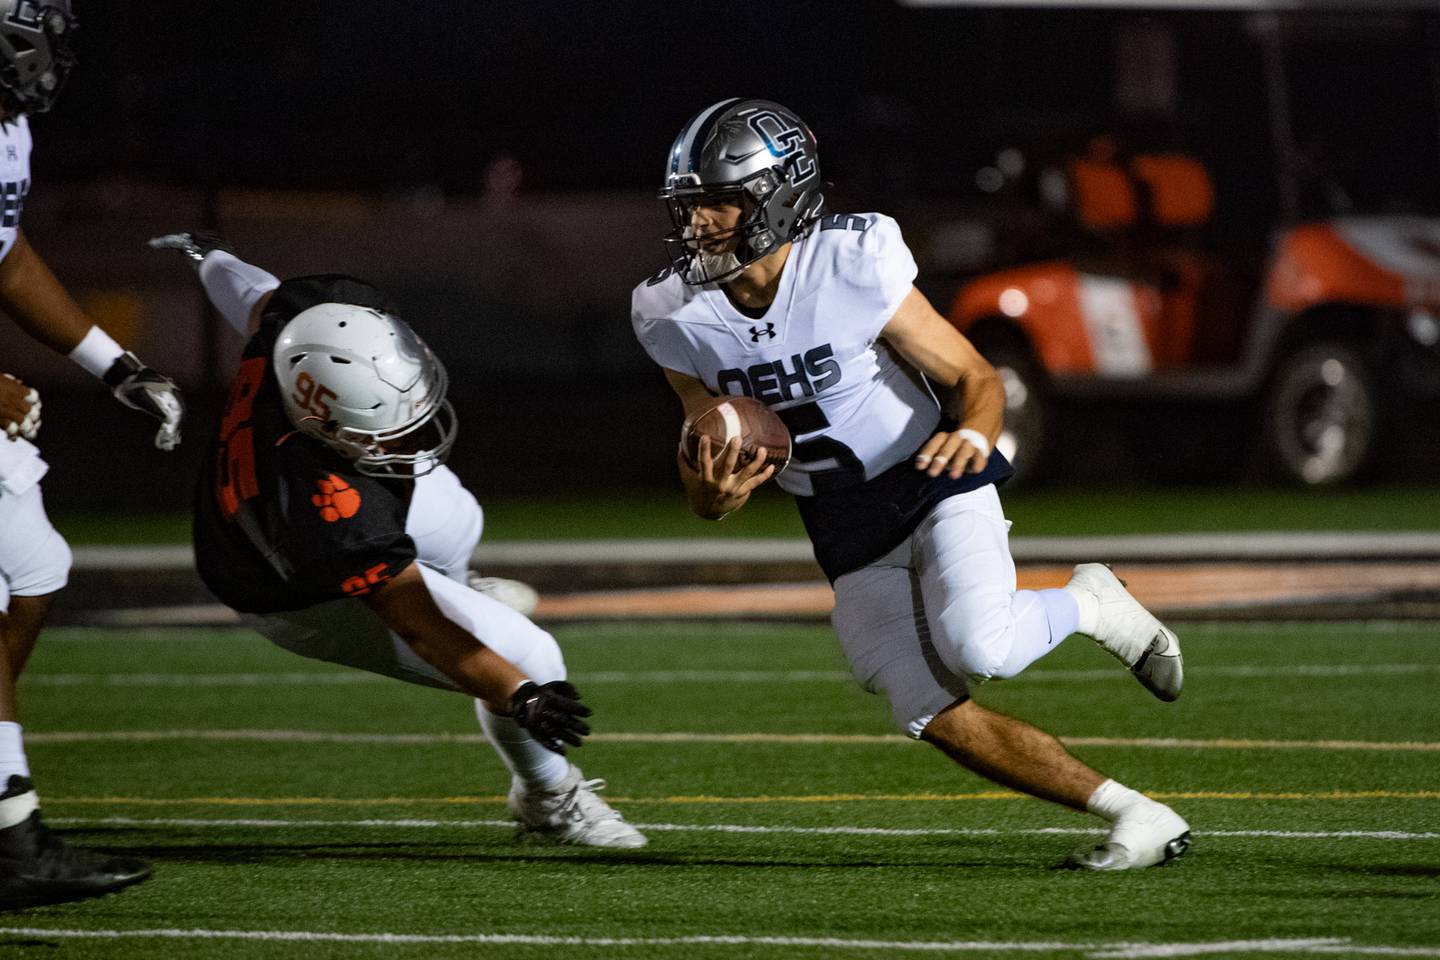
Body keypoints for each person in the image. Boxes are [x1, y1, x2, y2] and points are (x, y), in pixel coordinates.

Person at [631, 98, 1190, 870]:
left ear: (781, 195)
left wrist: (972, 433)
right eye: (690, 207)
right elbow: (702, 445)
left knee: (982, 643)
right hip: (838, 518)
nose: (700, 225)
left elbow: (974, 374)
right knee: (927, 709)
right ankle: (1139, 814)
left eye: (721, 203)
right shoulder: (670, 312)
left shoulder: (852, 262)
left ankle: (1090, 601)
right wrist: (711, 497)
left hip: (931, 475)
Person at [150, 231, 644, 850]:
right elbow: (419, 625)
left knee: (457, 517)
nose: (409, 443)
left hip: (322, 509)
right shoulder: (328, 505)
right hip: (291, 589)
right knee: (531, 656)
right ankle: (547, 798)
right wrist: (517, 694)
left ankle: (460, 587)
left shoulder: (314, 320)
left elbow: (259, 296)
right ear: (323, 423)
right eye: (388, 434)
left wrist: (206, 256)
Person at [0, 1, 184, 909]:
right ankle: (9, 831)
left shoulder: (10, 127)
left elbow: (4, 256)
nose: (58, 49)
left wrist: (110, 362)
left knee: (33, 568)